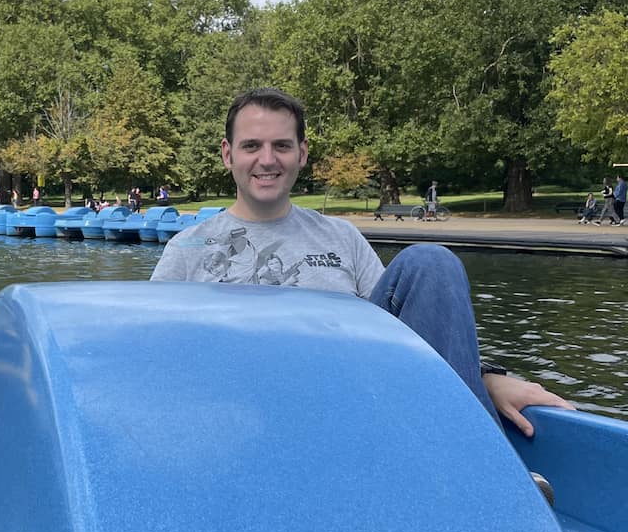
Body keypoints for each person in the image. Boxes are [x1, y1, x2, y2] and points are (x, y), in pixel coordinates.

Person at [151, 87, 571, 437]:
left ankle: (476, 458)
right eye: (251, 146)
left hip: (357, 405)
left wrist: (485, 374)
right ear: (228, 155)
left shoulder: (342, 237)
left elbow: (409, 332)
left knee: (431, 261)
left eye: (281, 145)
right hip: (243, 413)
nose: (267, 159)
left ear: (302, 153)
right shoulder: (186, 249)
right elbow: (153, 359)